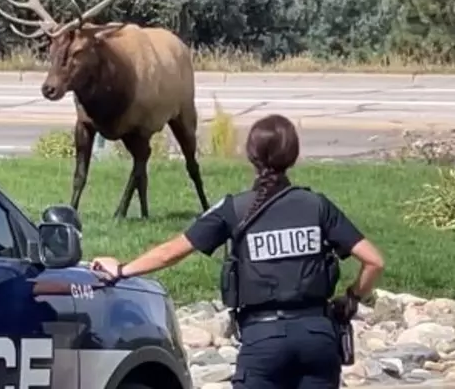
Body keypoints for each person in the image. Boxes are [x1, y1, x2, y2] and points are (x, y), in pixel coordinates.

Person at [90, 114, 385, 389]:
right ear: (293, 156)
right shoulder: (318, 205)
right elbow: (374, 262)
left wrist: (122, 270)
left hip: (264, 341)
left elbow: (173, 251)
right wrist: (351, 298)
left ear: (252, 156)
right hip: (318, 340)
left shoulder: (235, 208)